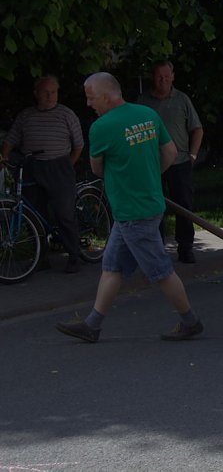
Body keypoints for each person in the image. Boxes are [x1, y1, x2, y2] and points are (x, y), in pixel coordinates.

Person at [56, 72, 203, 343]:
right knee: (112, 267)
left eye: (90, 98)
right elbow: (170, 152)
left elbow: (97, 169)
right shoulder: (147, 114)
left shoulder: (101, 127)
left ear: (106, 95)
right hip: (141, 207)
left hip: (134, 212)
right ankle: (92, 325)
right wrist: (148, 176)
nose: (89, 104)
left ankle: (190, 321)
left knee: (161, 271)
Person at [0, 75, 84, 273]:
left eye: (53, 92)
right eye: (45, 92)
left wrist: (68, 164)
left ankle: (74, 255)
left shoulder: (66, 114)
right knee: (35, 213)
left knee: (64, 213)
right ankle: (41, 256)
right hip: (32, 167)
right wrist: (3, 158)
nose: (50, 96)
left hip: (59, 166)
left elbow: (79, 144)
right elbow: (10, 139)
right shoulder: (26, 115)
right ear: (36, 93)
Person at [137, 60, 203, 264]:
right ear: (153, 77)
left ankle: (185, 248)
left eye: (166, 76)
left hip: (180, 162)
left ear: (173, 76)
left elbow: (197, 129)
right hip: (152, 165)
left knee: (183, 205)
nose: (163, 80)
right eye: (159, 76)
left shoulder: (182, 99)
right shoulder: (142, 102)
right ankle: (157, 250)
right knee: (155, 208)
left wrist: (193, 155)